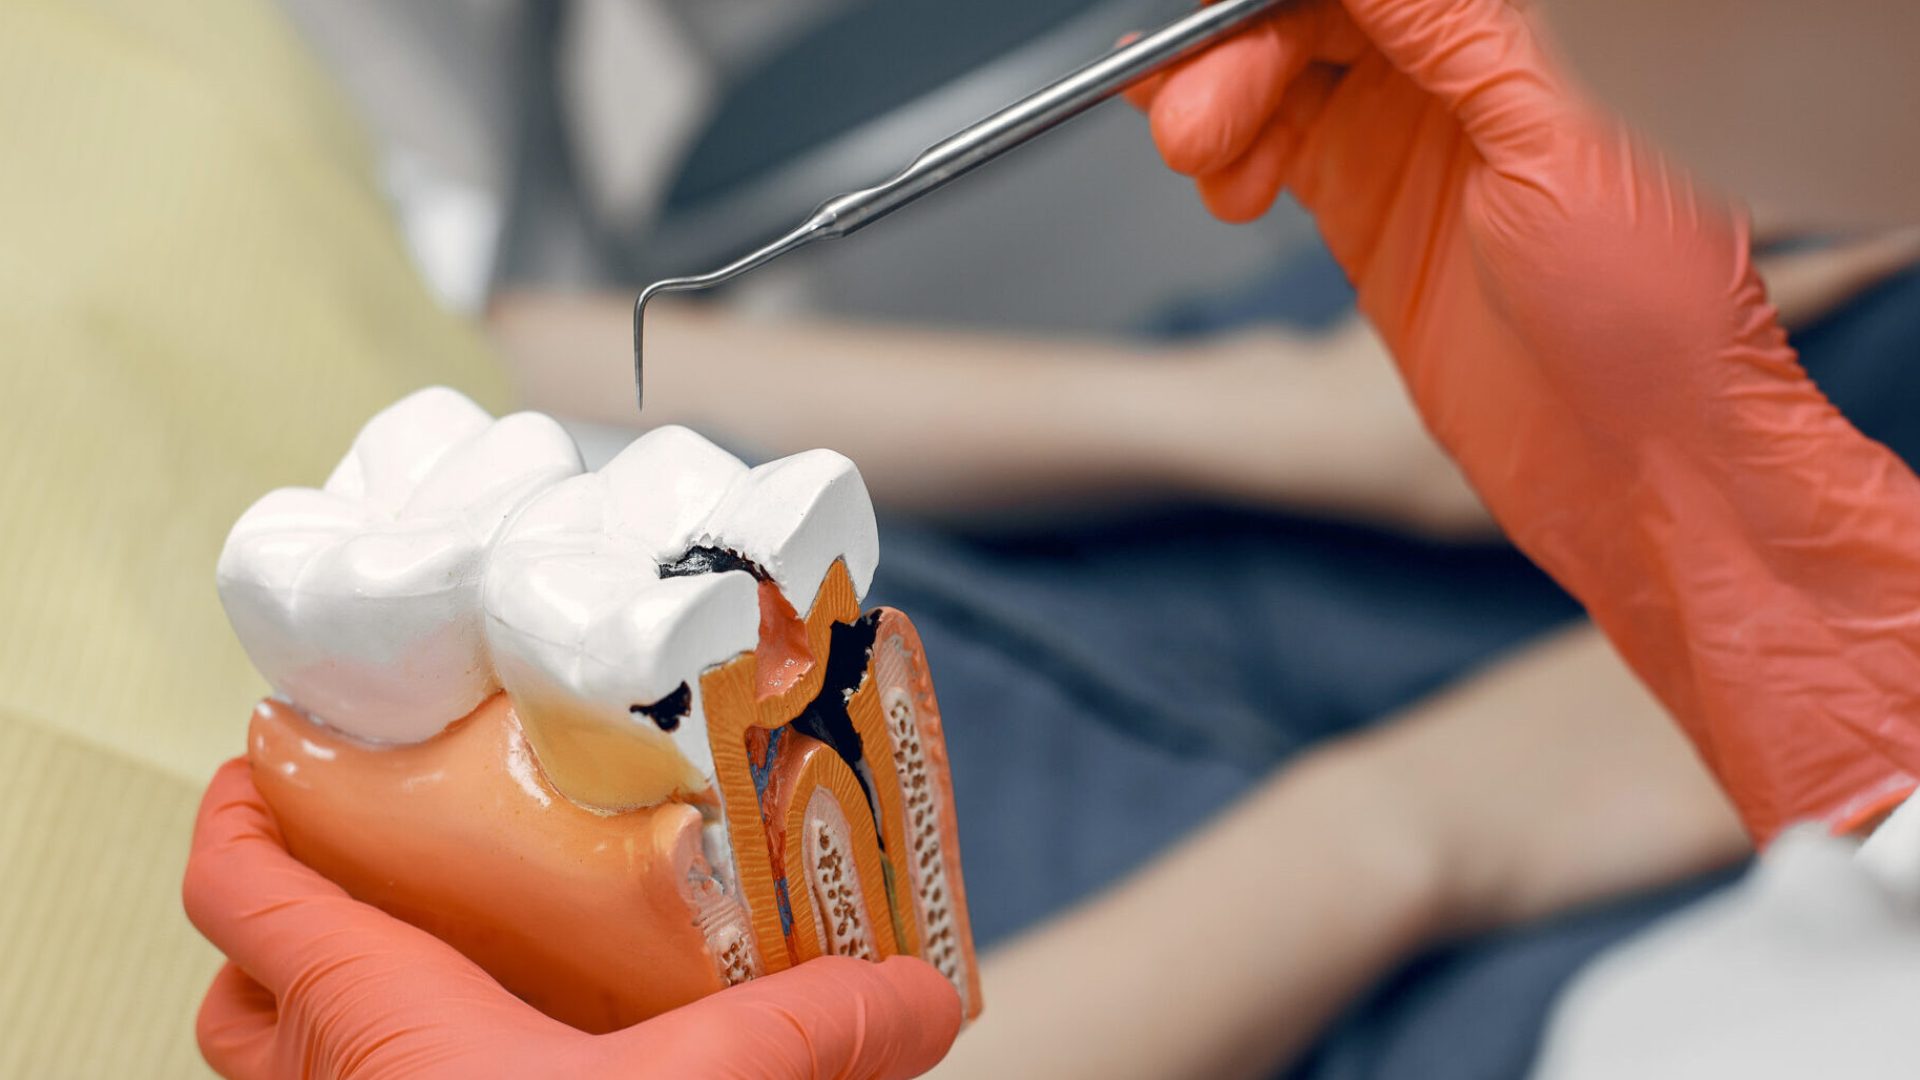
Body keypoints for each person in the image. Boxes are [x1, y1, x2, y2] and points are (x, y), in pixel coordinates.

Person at [178, 1, 1920, 1078]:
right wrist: (1406, 824)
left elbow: (485, 342)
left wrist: (1274, 420)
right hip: (1149, 919)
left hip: (1045, 581)